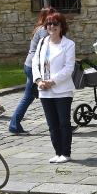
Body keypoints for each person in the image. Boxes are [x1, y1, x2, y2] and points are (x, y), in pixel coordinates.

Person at [32, 12, 76, 163]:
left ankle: (66, 153)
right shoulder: (43, 42)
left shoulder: (69, 44)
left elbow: (69, 68)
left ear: (62, 26)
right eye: (49, 24)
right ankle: (57, 152)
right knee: (52, 124)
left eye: (55, 24)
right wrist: (38, 80)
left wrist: (52, 81)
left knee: (64, 122)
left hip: (62, 90)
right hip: (44, 90)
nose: (51, 27)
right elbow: (35, 62)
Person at [8, 7, 54, 135]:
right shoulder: (44, 31)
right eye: (51, 15)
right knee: (47, 96)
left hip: (31, 65)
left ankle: (14, 124)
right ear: (46, 17)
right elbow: (48, 50)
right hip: (35, 66)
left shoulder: (40, 29)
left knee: (32, 96)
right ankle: (59, 125)